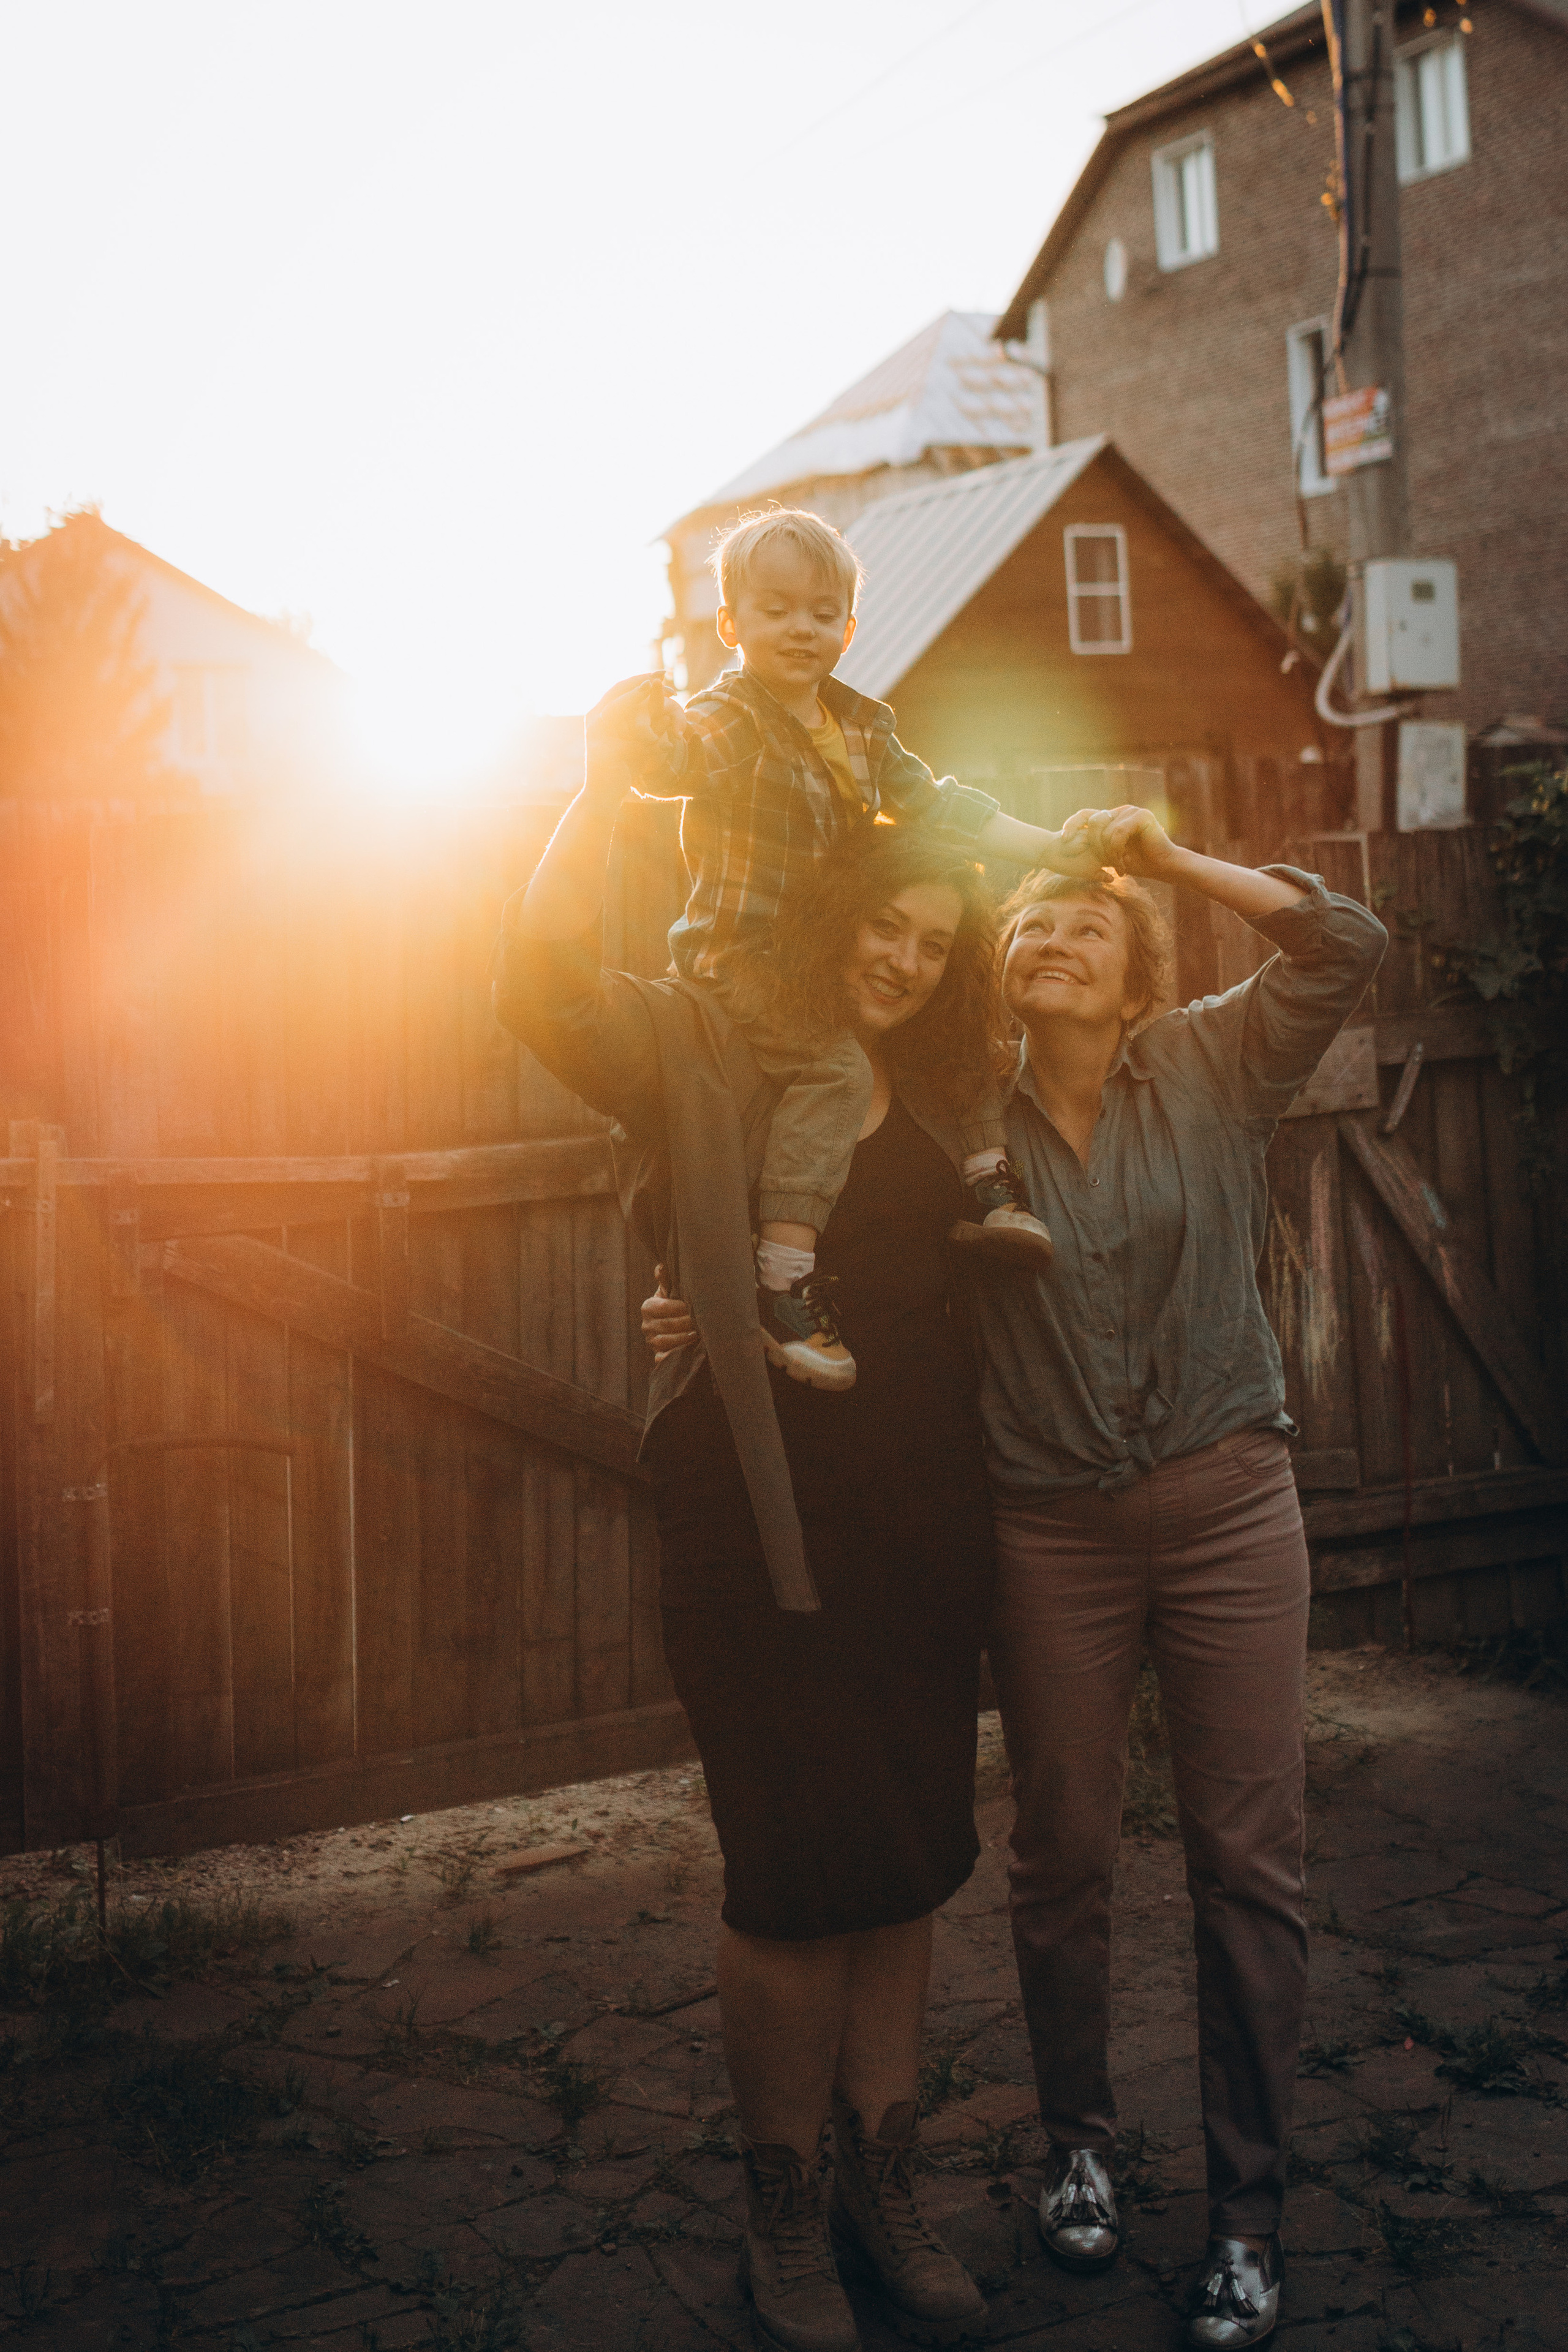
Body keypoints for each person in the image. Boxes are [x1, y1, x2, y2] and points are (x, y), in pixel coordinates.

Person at [645, 807, 1387, 2352]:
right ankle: (1078, 2161)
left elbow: (1346, 945)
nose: (1050, 937)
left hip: (1226, 1500)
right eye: (1029, 924)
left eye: (1087, 926)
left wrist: (1163, 861)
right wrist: (693, 1299)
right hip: (1045, 1525)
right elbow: (828, 1225)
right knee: (1060, 1860)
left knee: (1246, 1861)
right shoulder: (945, 1102)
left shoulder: (1207, 1063)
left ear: (1134, 975)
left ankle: (1246, 2218)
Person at [493, 775, 1020, 2352]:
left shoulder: (940, 1077)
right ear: (825, 913)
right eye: (884, 925)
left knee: (910, 1856)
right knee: (796, 1877)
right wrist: (598, 774)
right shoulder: (704, 1036)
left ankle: (886, 2183)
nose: (905, 960)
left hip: (926, 1523)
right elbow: (538, 982)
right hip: (758, 1519)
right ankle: (781, 2210)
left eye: (933, 941)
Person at [586, 506, 1077, 1391]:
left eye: (821, 612)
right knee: (838, 1074)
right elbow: (668, 761)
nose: (800, 629)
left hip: (818, 951)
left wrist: (1049, 848)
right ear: (730, 625)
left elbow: (941, 804)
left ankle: (990, 1181)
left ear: (849, 630)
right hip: (743, 956)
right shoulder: (728, 720)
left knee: (960, 1014)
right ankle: (784, 1277)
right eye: (774, 610)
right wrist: (638, 712)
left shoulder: (862, 728)